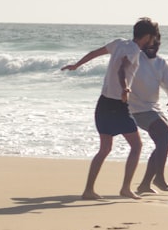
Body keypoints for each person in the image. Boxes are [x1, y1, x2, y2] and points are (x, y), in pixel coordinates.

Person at [61, 17, 159, 200]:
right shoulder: (133, 51)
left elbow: (94, 53)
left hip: (103, 103)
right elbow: (122, 69)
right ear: (146, 36)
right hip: (117, 105)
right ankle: (125, 188)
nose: (153, 41)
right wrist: (125, 88)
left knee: (105, 148)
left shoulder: (118, 43)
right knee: (137, 146)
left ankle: (88, 190)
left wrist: (76, 65)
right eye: (153, 37)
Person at [129, 33, 168, 195]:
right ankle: (159, 178)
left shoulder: (161, 63)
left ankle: (145, 184)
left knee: (162, 141)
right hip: (136, 109)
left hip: (153, 108)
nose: (151, 47)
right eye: (148, 44)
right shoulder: (136, 58)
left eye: (155, 45)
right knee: (165, 134)